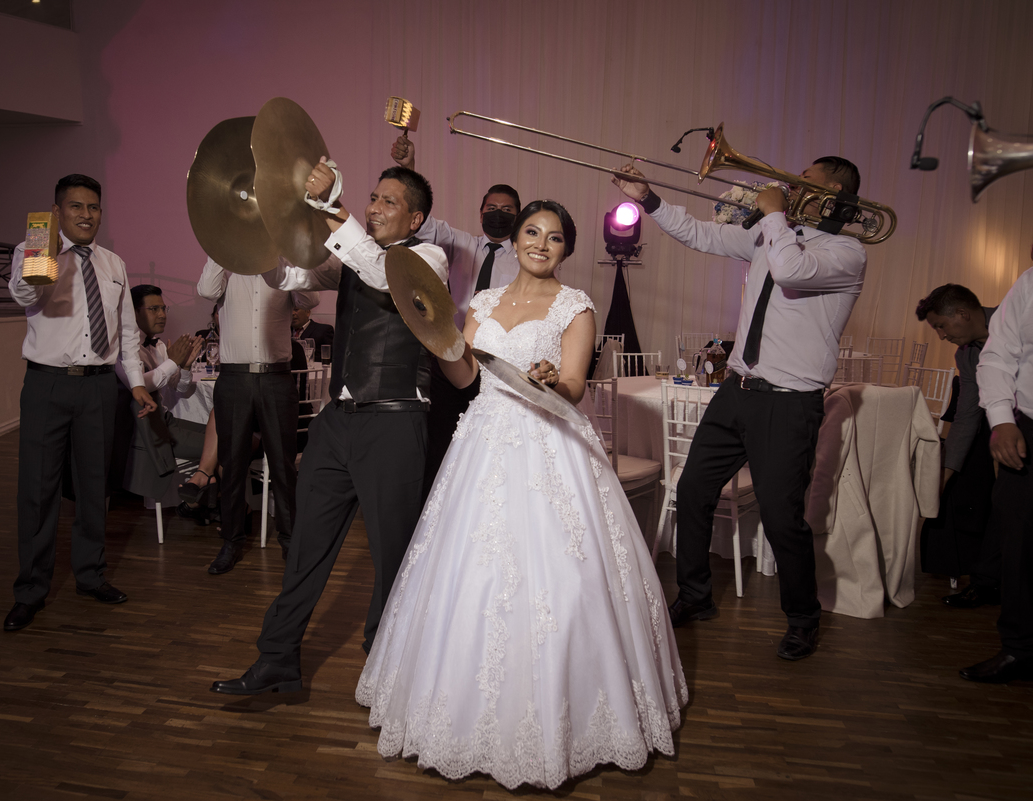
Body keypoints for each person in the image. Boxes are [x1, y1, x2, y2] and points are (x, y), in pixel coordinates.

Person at [357, 200, 687, 789]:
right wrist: (439, 338)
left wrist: (549, 380)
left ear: (567, 248)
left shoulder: (575, 306)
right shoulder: (483, 304)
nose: (541, 243)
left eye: (555, 237)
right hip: (484, 438)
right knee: (470, 573)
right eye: (532, 232)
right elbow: (466, 378)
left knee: (565, 579)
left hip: (550, 437)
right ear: (514, 241)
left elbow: (576, 387)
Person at [613, 156, 867, 661]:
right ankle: (696, 595)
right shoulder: (768, 236)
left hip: (790, 403)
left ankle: (802, 618)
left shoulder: (847, 251)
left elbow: (790, 271)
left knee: (781, 517)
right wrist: (646, 198)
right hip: (739, 388)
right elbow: (700, 235)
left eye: (804, 181)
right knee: (692, 488)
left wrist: (774, 216)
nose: (790, 188)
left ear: (834, 191)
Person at [210, 160, 447, 697]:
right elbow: (289, 276)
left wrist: (335, 210)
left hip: (394, 423)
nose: (375, 207)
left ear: (416, 219)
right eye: (372, 198)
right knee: (306, 548)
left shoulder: (426, 258)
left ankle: (385, 672)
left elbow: (383, 275)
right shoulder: (350, 257)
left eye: (389, 202)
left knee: (393, 557)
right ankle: (277, 663)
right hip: (336, 424)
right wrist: (262, 231)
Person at [4, 174, 156, 633]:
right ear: (57, 213)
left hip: (97, 389)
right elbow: (23, 294)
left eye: (94, 207)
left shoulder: (114, 264)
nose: (87, 215)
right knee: (38, 489)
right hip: (47, 386)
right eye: (76, 207)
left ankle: (90, 576)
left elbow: (128, 333)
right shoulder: (33, 253)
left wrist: (135, 384)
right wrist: (42, 249)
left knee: (94, 488)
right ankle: (30, 590)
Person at [391, 133, 522, 493]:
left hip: (496, 365)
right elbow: (423, 219)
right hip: (448, 356)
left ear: (519, 216)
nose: (499, 214)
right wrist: (409, 167)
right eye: (492, 208)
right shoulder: (459, 242)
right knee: (441, 441)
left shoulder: (526, 261)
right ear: (480, 213)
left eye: (508, 210)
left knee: (488, 447)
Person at [196, 258, 318, 571]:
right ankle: (231, 541)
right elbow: (205, 290)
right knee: (232, 464)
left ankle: (290, 542)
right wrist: (220, 253)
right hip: (234, 378)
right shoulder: (226, 268)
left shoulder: (283, 268)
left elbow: (311, 298)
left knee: (282, 466)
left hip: (276, 377)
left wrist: (286, 258)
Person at [960, 261, 1033, 683]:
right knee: (1020, 541)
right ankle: (1021, 649)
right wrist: (1001, 418)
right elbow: (997, 355)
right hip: (1031, 429)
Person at [915, 284, 1000, 605]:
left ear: (963, 314)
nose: (941, 335)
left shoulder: (1016, 323)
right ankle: (988, 583)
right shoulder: (965, 354)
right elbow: (967, 412)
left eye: (941, 326)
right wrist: (946, 472)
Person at [114, 285, 208, 504]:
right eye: (154, 309)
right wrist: (172, 362)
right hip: (147, 431)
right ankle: (208, 497)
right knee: (225, 444)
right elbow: (137, 386)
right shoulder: (122, 347)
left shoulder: (158, 347)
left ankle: (205, 492)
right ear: (134, 313)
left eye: (164, 308)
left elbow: (180, 388)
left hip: (165, 421)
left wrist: (184, 366)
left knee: (225, 436)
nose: (162, 315)